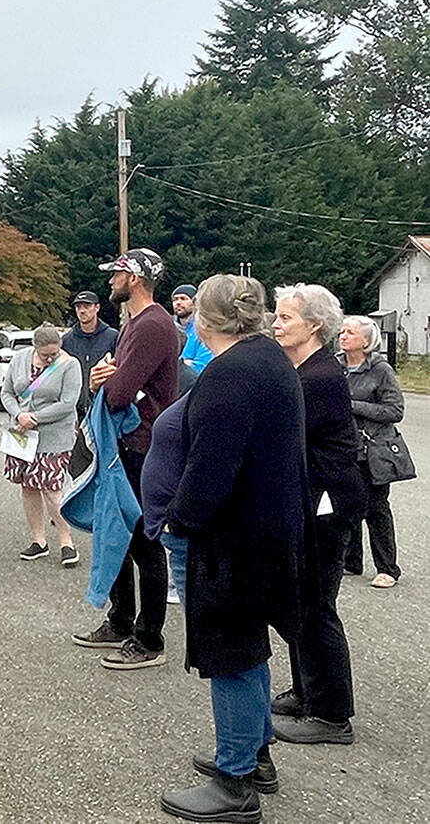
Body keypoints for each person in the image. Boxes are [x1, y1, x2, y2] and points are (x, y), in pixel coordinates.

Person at [157, 274, 306, 823]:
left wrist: (179, 520)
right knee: (249, 648)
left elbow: (211, 470)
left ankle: (236, 781)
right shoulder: (269, 359)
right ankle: (252, 752)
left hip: (233, 541)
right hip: (267, 532)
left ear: (203, 319)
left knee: (231, 655)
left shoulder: (229, 375)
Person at [72, 248, 179, 671]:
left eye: (116, 273)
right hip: (127, 443)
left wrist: (103, 379)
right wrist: (105, 378)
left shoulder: (153, 324)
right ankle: (120, 620)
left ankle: (149, 638)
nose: (110, 280)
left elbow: (117, 392)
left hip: (141, 446)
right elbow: (115, 382)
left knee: (144, 543)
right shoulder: (136, 323)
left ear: (134, 277)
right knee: (115, 531)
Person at [270, 284, 366, 746]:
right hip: (307, 503)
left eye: (285, 317)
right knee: (299, 602)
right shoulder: (302, 370)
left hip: (327, 506)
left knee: (316, 607)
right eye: (276, 314)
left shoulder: (320, 377)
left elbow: (283, 434)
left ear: (313, 326)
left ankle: (331, 715)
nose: (275, 322)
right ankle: (307, 690)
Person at [1, 324, 84, 566]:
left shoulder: (70, 365)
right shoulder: (19, 360)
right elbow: (6, 392)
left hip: (54, 436)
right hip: (22, 435)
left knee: (52, 489)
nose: (50, 358)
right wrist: (18, 415)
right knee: (28, 487)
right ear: (35, 347)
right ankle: (39, 541)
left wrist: (34, 418)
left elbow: (68, 403)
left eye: (54, 353)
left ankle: (66, 542)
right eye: (45, 354)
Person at [339, 315, 406, 588]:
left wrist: (353, 405)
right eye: (342, 332)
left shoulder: (380, 369)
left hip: (374, 448)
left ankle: (388, 567)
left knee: (376, 508)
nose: (343, 336)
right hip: (345, 447)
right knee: (348, 504)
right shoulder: (336, 365)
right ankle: (351, 561)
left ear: (366, 341)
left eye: (350, 333)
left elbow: (395, 410)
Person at [60, 290, 118, 418]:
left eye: (87, 306)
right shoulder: (67, 340)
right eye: (78, 307)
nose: (82, 311)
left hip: (104, 408)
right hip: (74, 411)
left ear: (97, 308)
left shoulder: (113, 337)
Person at [172, 283, 214, 374]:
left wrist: (180, 364)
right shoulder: (170, 328)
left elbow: (203, 365)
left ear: (195, 303)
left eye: (183, 299)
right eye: (175, 299)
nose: (178, 302)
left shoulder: (204, 329)